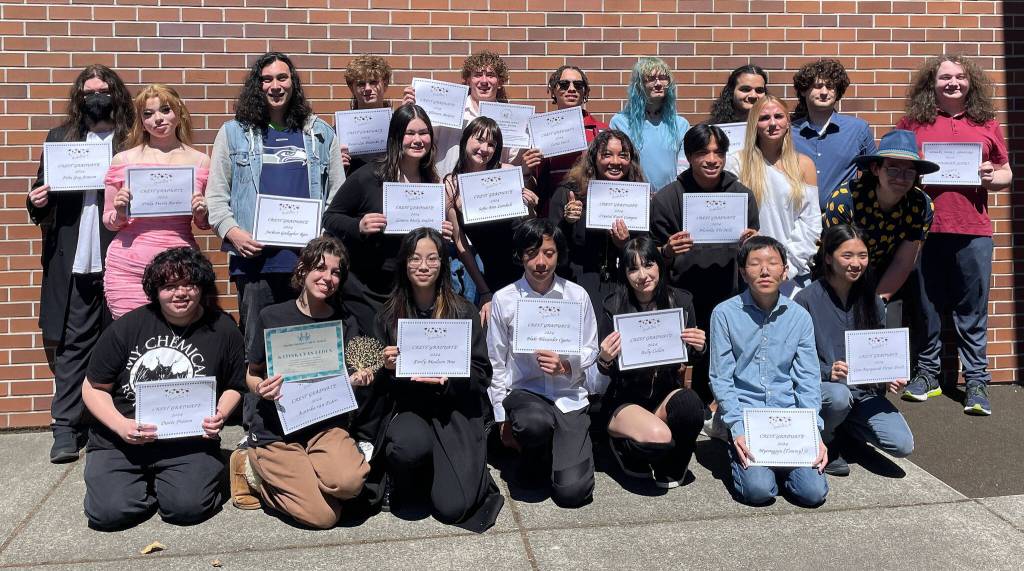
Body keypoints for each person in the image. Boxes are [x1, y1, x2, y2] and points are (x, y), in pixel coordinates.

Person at [80, 247, 246, 529]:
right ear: (155, 291)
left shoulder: (223, 328)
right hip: (121, 442)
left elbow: (236, 385)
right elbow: (92, 388)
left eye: (189, 285)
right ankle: (135, 486)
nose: (180, 293)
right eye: (169, 286)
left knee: (188, 509)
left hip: (188, 441)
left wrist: (220, 413)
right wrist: (121, 425)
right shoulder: (128, 326)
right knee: (111, 513)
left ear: (201, 287)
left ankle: (175, 485)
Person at [26, 64, 135, 463]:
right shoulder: (60, 138)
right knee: (73, 345)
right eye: (89, 92)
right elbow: (41, 193)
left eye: (103, 90)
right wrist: (37, 200)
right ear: (79, 98)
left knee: (123, 339)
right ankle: (66, 428)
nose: (96, 97)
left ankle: (119, 421)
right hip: (74, 258)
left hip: (122, 256)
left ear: (115, 94)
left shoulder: (131, 139)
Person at [896, 55, 1012, 415]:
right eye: (945, 77)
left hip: (972, 230)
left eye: (960, 77)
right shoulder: (913, 124)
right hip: (924, 229)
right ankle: (928, 374)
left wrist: (993, 176)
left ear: (969, 82)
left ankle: (976, 382)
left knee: (971, 309)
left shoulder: (986, 123)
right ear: (932, 83)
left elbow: (1006, 172)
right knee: (926, 307)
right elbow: (895, 165)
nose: (953, 83)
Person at [206, 51, 346, 349]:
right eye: (266, 79)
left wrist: (322, 240)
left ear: (292, 82)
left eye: (282, 77)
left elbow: (338, 197)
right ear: (257, 86)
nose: (275, 85)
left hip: (309, 265)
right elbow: (216, 196)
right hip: (255, 264)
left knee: (309, 349)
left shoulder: (320, 134)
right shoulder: (233, 134)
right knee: (259, 351)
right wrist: (232, 232)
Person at [232, 237, 371, 529]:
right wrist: (261, 389)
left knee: (349, 483)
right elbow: (251, 373)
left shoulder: (346, 321)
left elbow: (359, 366)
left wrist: (360, 376)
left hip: (324, 425)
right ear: (303, 270)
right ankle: (248, 467)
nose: (328, 278)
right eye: (320, 268)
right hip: (277, 430)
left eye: (336, 272)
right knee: (324, 517)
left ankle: (305, 474)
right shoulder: (272, 316)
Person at [375, 228, 504, 532]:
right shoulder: (387, 315)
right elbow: (375, 385)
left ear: (443, 264)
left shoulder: (463, 311)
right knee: (406, 447)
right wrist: (387, 368)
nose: (423, 266)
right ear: (404, 264)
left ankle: (447, 472)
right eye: (415, 258)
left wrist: (450, 380)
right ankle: (409, 476)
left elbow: (482, 373)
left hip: (454, 409)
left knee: (453, 506)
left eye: (432, 258)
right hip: (410, 409)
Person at [487, 218, 601, 508]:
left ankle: (559, 454)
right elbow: (496, 362)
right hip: (527, 395)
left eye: (548, 253)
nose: (540, 262)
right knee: (533, 426)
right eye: (532, 254)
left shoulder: (577, 296)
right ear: (520, 256)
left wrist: (567, 365)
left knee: (572, 493)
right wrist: (502, 418)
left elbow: (591, 350)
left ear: (558, 255)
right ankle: (534, 456)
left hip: (569, 396)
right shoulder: (505, 299)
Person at [709, 236, 828, 507]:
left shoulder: (799, 317)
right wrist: (737, 429)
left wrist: (814, 434)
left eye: (773, 263)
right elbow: (721, 378)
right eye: (755, 264)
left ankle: (781, 468)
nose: (765, 270)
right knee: (759, 492)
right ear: (743, 272)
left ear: (784, 271)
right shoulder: (724, 314)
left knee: (813, 493)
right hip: (748, 419)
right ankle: (757, 465)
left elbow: (808, 379)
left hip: (791, 422)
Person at [793, 225, 914, 476]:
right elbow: (794, 361)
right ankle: (826, 440)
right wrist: (828, 372)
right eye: (847, 255)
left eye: (862, 255)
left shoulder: (872, 300)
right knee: (838, 397)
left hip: (862, 393)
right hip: (824, 391)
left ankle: (845, 431)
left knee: (902, 444)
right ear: (828, 257)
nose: (856, 263)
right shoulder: (806, 300)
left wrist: (888, 377)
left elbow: (881, 355)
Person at [650, 123, 759, 404]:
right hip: (682, 294)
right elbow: (651, 256)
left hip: (728, 291)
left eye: (718, 152)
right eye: (702, 152)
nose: (712, 159)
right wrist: (667, 251)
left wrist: (750, 246)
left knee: (725, 355)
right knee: (682, 357)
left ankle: (723, 412)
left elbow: (754, 253)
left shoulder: (741, 195)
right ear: (688, 156)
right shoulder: (667, 199)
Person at [822, 130, 938, 390]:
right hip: (838, 269)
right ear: (876, 168)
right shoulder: (844, 200)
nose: (901, 177)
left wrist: (877, 300)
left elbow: (904, 259)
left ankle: (875, 384)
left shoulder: (922, 205)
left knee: (879, 320)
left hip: (887, 269)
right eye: (893, 169)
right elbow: (833, 254)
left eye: (909, 172)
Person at [597, 237, 706, 488]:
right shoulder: (613, 306)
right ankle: (623, 447)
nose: (642, 275)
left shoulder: (680, 301)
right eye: (633, 268)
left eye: (648, 265)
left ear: (660, 265)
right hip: (625, 400)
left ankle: (672, 466)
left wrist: (699, 347)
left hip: (663, 395)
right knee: (656, 437)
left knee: (691, 406)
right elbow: (603, 369)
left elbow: (689, 356)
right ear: (624, 273)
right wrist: (604, 358)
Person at [322, 104, 453, 307]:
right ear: (396, 136)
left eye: (423, 133)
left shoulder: (430, 182)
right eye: (410, 133)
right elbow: (330, 217)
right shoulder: (369, 176)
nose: (417, 140)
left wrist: (438, 232)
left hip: (410, 289)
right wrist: (359, 226)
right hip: (367, 290)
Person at [102, 84, 211, 319]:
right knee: (131, 338)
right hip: (127, 267)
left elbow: (204, 224)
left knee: (176, 338)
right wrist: (121, 213)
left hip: (179, 267)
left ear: (179, 113)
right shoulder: (123, 159)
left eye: (165, 110)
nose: (157, 119)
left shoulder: (201, 161)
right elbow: (109, 221)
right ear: (141, 122)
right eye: (148, 114)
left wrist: (202, 212)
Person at [444, 117, 538, 323]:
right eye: (479, 140)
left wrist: (530, 206)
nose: (484, 148)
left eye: (492, 144)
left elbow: (530, 228)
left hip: (518, 266)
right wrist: (484, 290)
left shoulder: (507, 173)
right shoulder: (451, 184)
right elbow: (460, 243)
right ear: (465, 140)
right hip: (484, 271)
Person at [731, 96, 820, 295]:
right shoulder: (736, 163)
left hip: (793, 274)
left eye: (779, 116)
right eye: (764, 118)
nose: (772, 123)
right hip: (751, 273)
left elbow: (811, 223)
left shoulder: (804, 165)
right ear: (754, 124)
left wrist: (786, 265)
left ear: (788, 123)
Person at [548, 129, 646, 308]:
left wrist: (625, 245)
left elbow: (646, 249)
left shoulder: (639, 196)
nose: (615, 162)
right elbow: (550, 246)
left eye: (623, 156)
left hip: (624, 284)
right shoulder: (568, 193)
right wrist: (567, 223)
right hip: (578, 284)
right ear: (594, 158)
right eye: (607, 155)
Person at [404, 51, 539, 177]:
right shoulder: (448, 109)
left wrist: (525, 143)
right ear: (468, 81)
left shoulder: (511, 119)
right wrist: (409, 114)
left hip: (488, 194)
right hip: (447, 188)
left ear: (500, 82)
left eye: (491, 75)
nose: (484, 81)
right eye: (478, 75)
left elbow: (513, 163)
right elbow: (423, 142)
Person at [790, 59, 877, 208]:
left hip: (841, 221)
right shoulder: (789, 132)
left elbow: (875, 173)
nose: (824, 92)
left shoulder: (857, 129)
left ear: (837, 92)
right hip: (798, 219)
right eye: (817, 86)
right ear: (804, 90)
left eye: (830, 87)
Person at [535, 65, 609, 214]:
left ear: (585, 91)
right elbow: (536, 179)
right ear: (553, 90)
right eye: (564, 84)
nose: (571, 89)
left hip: (591, 210)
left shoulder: (602, 131)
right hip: (552, 211)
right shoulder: (539, 130)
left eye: (578, 85)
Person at [610, 57, 691, 192]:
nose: (658, 83)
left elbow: (683, 169)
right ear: (639, 84)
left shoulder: (681, 125)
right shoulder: (621, 123)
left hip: (669, 199)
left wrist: (670, 197)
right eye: (651, 78)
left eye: (663, 78)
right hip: (635, 198)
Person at [342, 54, 396, 175]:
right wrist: (335, 163)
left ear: (385, 84)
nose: (367, 88)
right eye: (361, 84)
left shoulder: (398, 125)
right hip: (354, 189)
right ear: (352, 88)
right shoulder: (341, 130)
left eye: (373, 82)